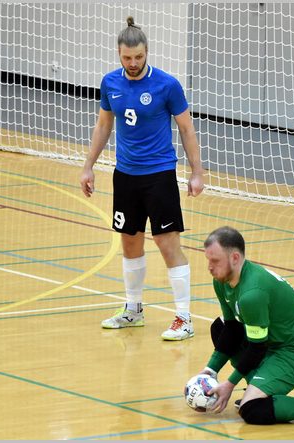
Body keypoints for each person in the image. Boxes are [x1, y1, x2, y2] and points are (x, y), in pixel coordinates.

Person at [80, 17, 204, 340]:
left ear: (147, 52)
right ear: (119, 54)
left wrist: (196, 172)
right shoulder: (110, 83)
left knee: (167, 243)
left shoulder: (167, 85)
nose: (133, 63)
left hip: (159, 176)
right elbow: (104, 125)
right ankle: (133, 309)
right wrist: (88, 166)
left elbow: (187, 128)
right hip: (125, 176)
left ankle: (184, 317)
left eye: (138, 57)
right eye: (127, 58)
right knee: (130, 241)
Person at [195, 226, 294, 430]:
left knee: (251, 410)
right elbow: (233, 329)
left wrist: (229, 384)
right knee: (220, 327)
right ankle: (257, 390)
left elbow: (256, 348)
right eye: (208, 260)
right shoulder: (222, 282)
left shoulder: (252, 294)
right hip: (271, 343)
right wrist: (209, 371)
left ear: (235, 258)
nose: (209, 267)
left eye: (215, 261)